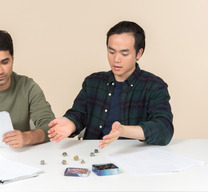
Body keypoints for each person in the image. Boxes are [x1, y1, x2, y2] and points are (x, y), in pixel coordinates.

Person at [48, 21, 174, 149]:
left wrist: (124, 130)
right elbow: (79, 114)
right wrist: (71, 123)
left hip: (133, 155)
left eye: (124, 53)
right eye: (111, 51)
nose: (116, 59)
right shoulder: (93, 82)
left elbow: (164, 129)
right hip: (94, 153)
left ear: (139, 53)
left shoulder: (154, 86)